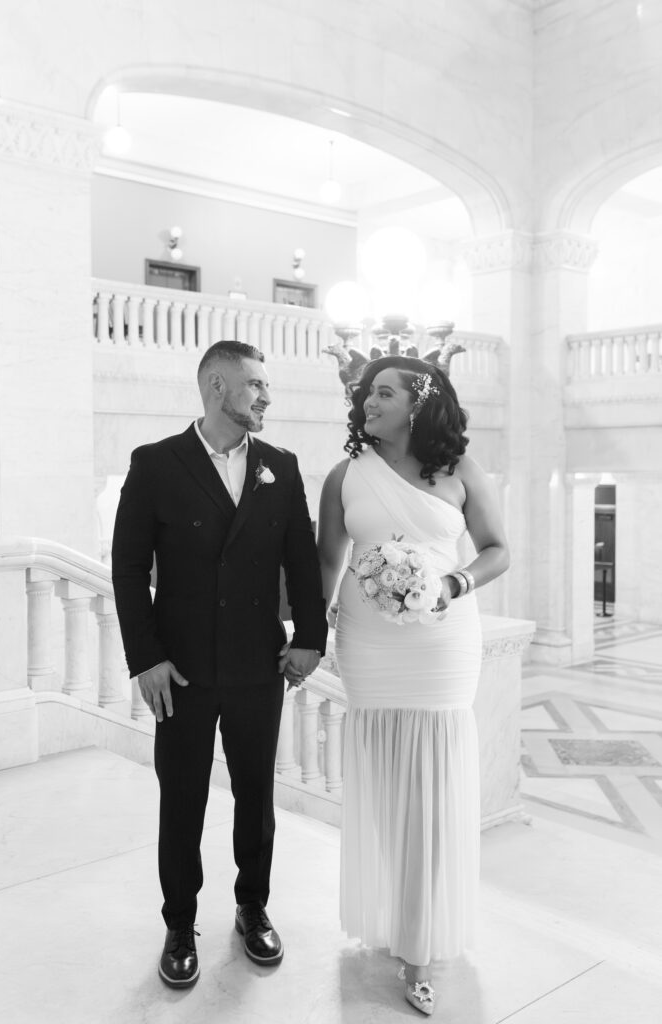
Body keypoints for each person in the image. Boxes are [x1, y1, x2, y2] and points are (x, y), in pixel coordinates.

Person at [112, 340, 327, 988]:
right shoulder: (155, 464)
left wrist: (311, 636)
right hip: (180, 671)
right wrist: (144, 657)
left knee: (256, 797)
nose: (265, 396)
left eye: (265, 386)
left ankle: (252, 908)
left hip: (258, 665)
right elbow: (127, 567)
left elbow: (302, 560)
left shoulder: (280, 467)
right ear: (215, 387)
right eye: (255, 385)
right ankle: (180, 923)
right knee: (181, 801)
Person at [317, 355, 509, 1016]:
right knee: (382, 788)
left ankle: (423, 947)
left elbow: (496, 548)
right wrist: (310, 637)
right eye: (366, 393)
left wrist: (451, 583)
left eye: (383, 392)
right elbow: (326, 559)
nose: (368, 401)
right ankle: (391, 919)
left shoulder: (459, 472)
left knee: (430, 795)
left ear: (418, 403)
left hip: (441, 644)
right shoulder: (344, 475)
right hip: (368, 647)